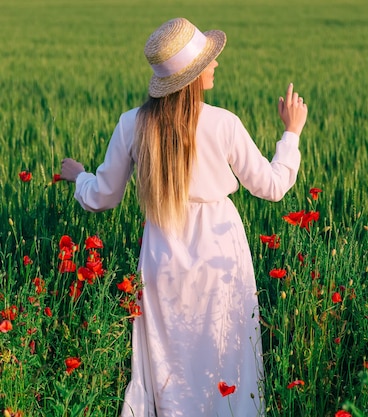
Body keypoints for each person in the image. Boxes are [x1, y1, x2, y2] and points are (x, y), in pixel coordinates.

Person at [60, 17, 308, 417]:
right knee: (226, 354)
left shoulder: (132, 124)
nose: (215, 65)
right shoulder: (223, 123)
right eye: (209, 60)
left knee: (170, 359)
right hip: (221, 252)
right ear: (191, 77)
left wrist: (80, 176)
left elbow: (102, 197)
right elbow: (273, 186)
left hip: (162, 256)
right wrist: (291, 132)